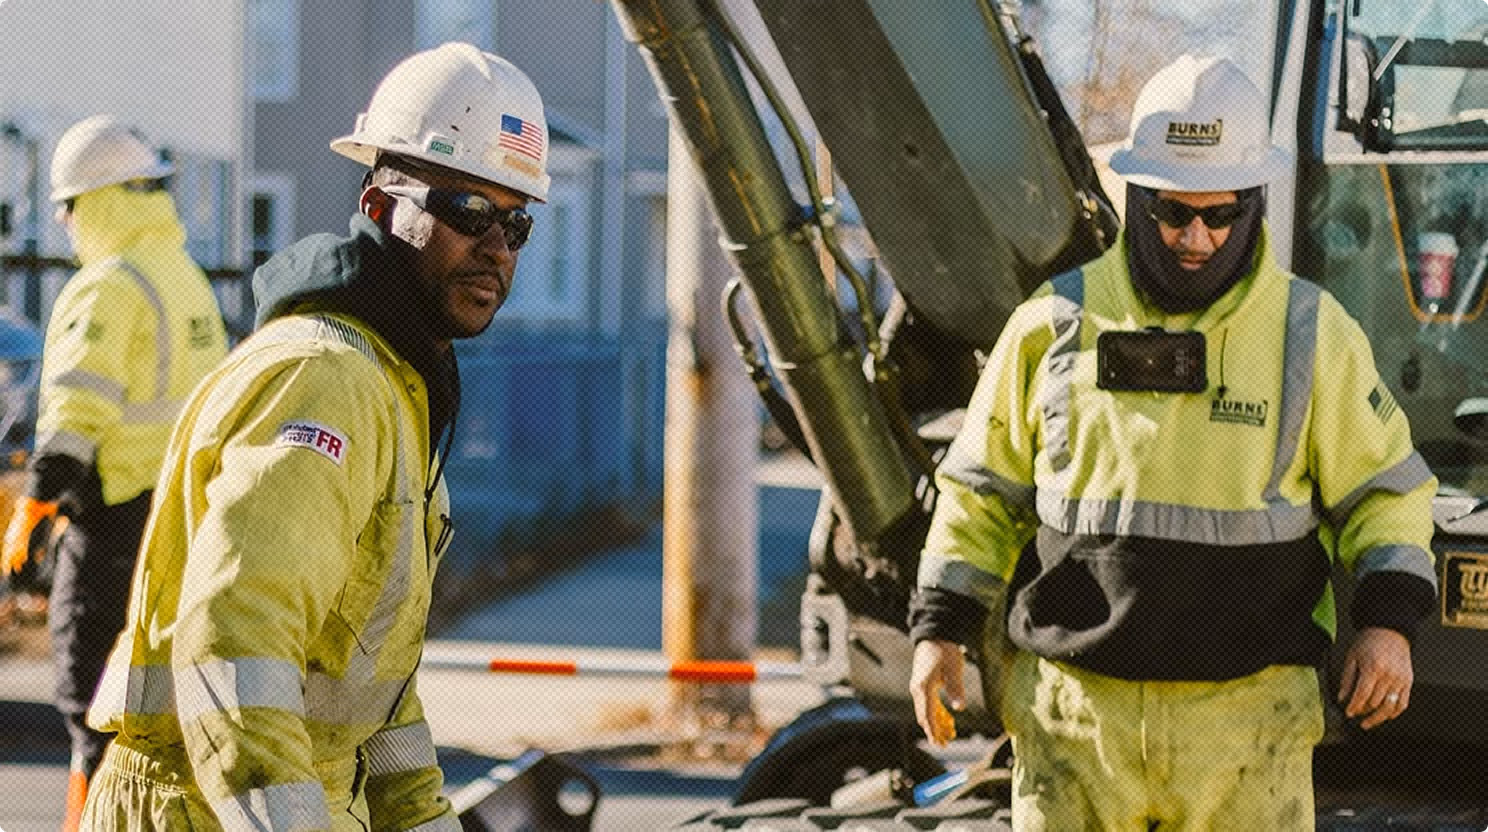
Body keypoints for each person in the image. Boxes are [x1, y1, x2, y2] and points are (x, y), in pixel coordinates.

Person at [908, 54, 1437, 830]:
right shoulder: (1053, 325)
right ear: (1135, 197)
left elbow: (1387, 495)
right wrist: (938, 632)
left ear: (1254, 203)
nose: (1196, 236)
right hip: (1076, 725)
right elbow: (980, 494)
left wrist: (1388, 623)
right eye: (1172, 213)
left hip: (1248, 731)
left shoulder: (1310, 335)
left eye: (1220, 215)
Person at [76, 42, 548, 831]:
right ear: (379, 208)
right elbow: (235, 652)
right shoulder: (324, 379)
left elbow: (371, 701)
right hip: (199, 808)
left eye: (515, 222)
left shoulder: (395, 388)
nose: (495, 247)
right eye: (467, 211)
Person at [0, 114, 228, 830]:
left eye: (68, 206)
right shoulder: (185, 279)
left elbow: (71, 418)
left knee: (87, 698)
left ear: (98, 201)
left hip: (113, 520)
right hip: (181, 520)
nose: (64, 222)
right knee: (157, 703)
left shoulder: (106, 286)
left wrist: (30, 515)